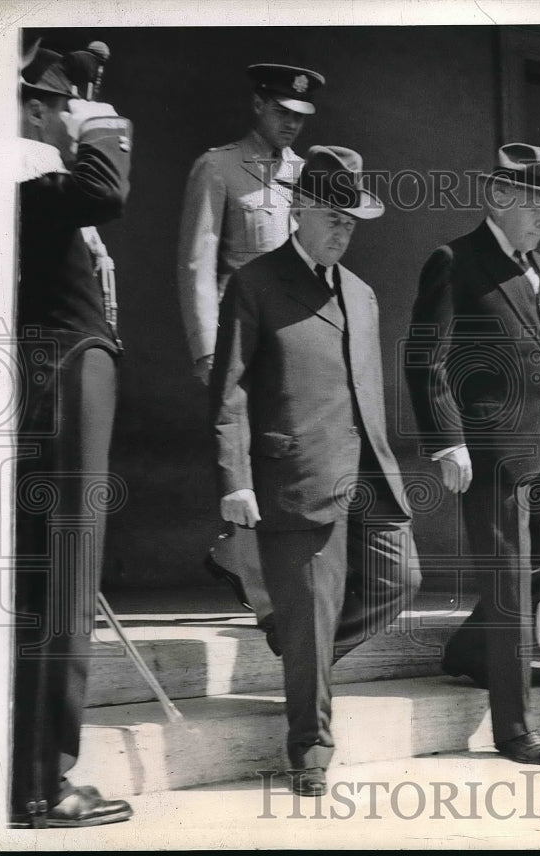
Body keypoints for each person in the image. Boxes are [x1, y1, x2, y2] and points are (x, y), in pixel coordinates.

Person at [210, 145, 421, 796]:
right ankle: (309, 752)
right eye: (333, 215)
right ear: (299, 209)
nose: (342, 229)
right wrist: (236, 481)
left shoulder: (361, 293)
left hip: (365, 474)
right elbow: (229, 392)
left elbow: (365, 389)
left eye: (352, 221)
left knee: (401, 579)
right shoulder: (255, 283)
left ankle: (294, 637)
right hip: (294, 476)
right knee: (314, 608)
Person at [405, 143, 540, 767]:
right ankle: (514, 729)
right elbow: (426, 358)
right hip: (487, 453)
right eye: (533, 201)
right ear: (499, 199)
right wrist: (446, 441)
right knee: (509, 582)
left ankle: (469, 648)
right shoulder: (454, 261)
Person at [11, 42, 134, 827]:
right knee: (61, 584)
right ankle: (42, 784)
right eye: (63, 104)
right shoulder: (27, 167)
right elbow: (109, 191)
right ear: (30, 108)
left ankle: (28, 773)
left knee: (49, 587)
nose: (71, 118)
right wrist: (107, 123)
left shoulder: (35, 176)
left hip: (57, 372)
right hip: (63, 373)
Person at [177, 63, 324, 652]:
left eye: (301, 118)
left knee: (285, 468)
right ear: (259, 104)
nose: (291, 125)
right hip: (242, 344)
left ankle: (233, 556)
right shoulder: (218, 168)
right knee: (251, 468)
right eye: (283, 112)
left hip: (293, 348)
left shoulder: (307, 174)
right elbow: (197, 263)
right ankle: (268, 603)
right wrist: (209, 350)